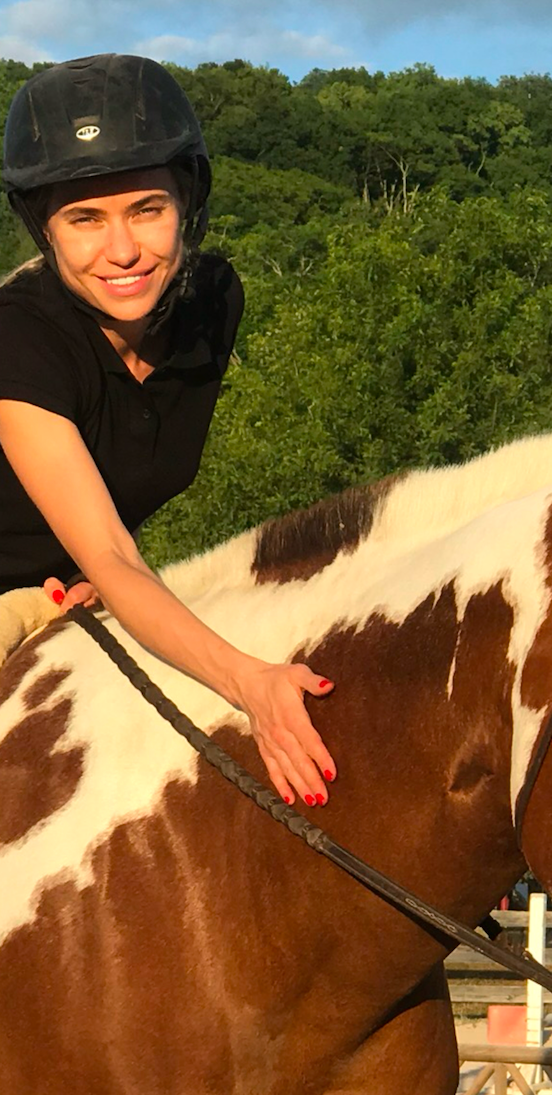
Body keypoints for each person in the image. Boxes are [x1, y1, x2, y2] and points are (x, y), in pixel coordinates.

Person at [0, 53, 334, 807]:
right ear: (43, 231)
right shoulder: (18, 338)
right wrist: (248, 681)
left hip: (61, 594)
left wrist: (89, 579)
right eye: (83, 219)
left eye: (146, 209)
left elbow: (112, 525)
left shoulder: (213, 303)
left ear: (190, 203)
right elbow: (113, 551)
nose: (121, 251)